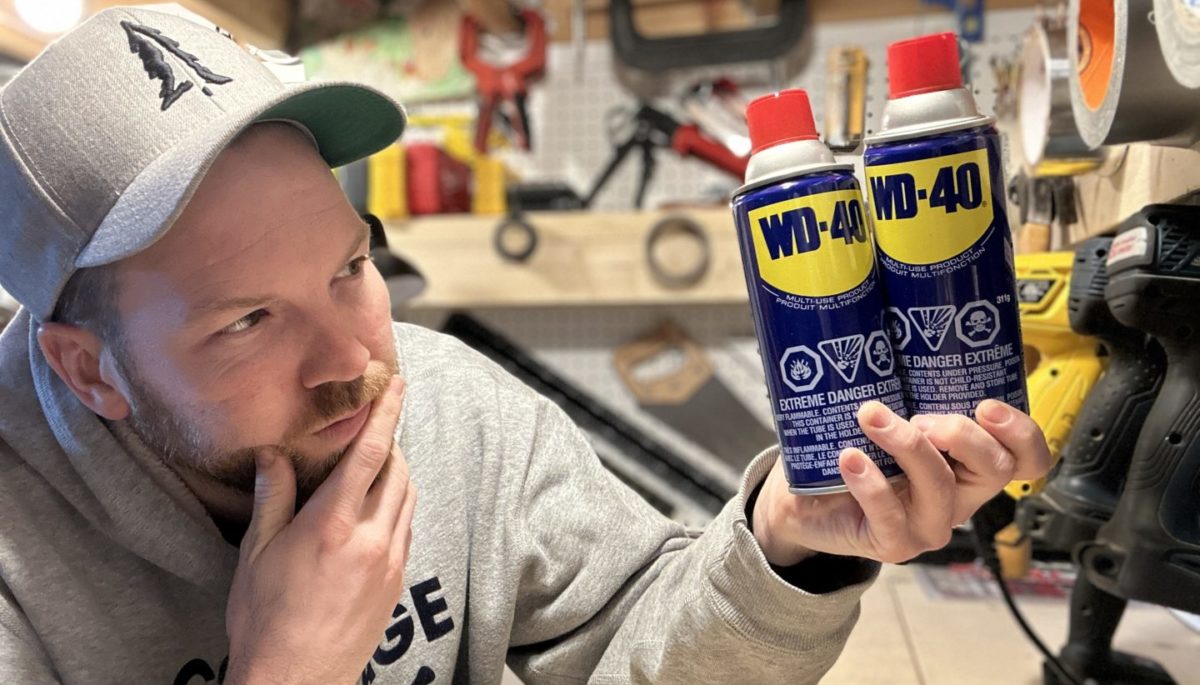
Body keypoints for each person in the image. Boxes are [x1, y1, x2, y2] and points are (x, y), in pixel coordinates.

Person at [0, 6, 1051, 684]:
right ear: (88, 369)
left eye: (349, 267)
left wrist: (787, 544)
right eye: (247, 320)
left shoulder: (454, 410)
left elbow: (634, 642)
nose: (351, 362)